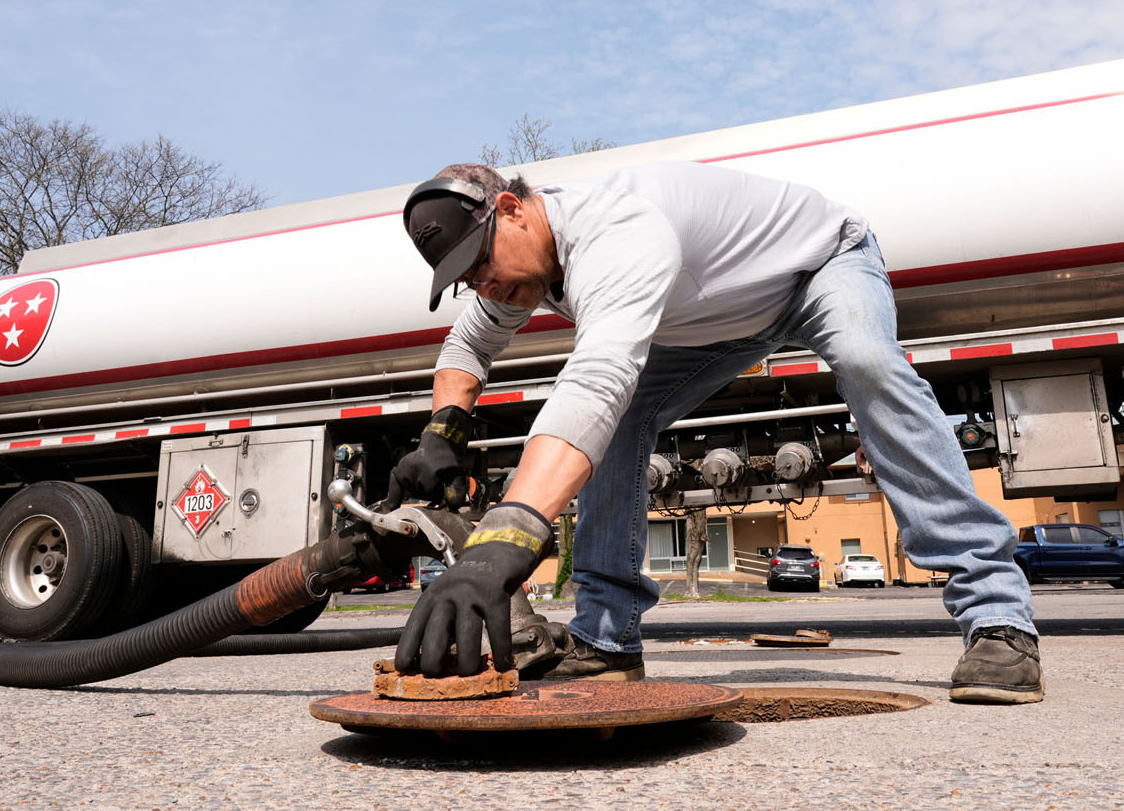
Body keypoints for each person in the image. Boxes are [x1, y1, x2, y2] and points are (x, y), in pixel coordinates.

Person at [389, 160, 1042, 703]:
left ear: (512, 208)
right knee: (615, 426)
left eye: (480, 262)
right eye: (465, 278)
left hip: (815, 267)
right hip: (721, 320)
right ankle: (604, 642)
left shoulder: (616, 230)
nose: (482, 284)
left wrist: (507, 537)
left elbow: (596, 381)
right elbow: (464, 351)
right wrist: (442, 431)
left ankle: (998, 619)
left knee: (868, 363)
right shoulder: (515, 271)